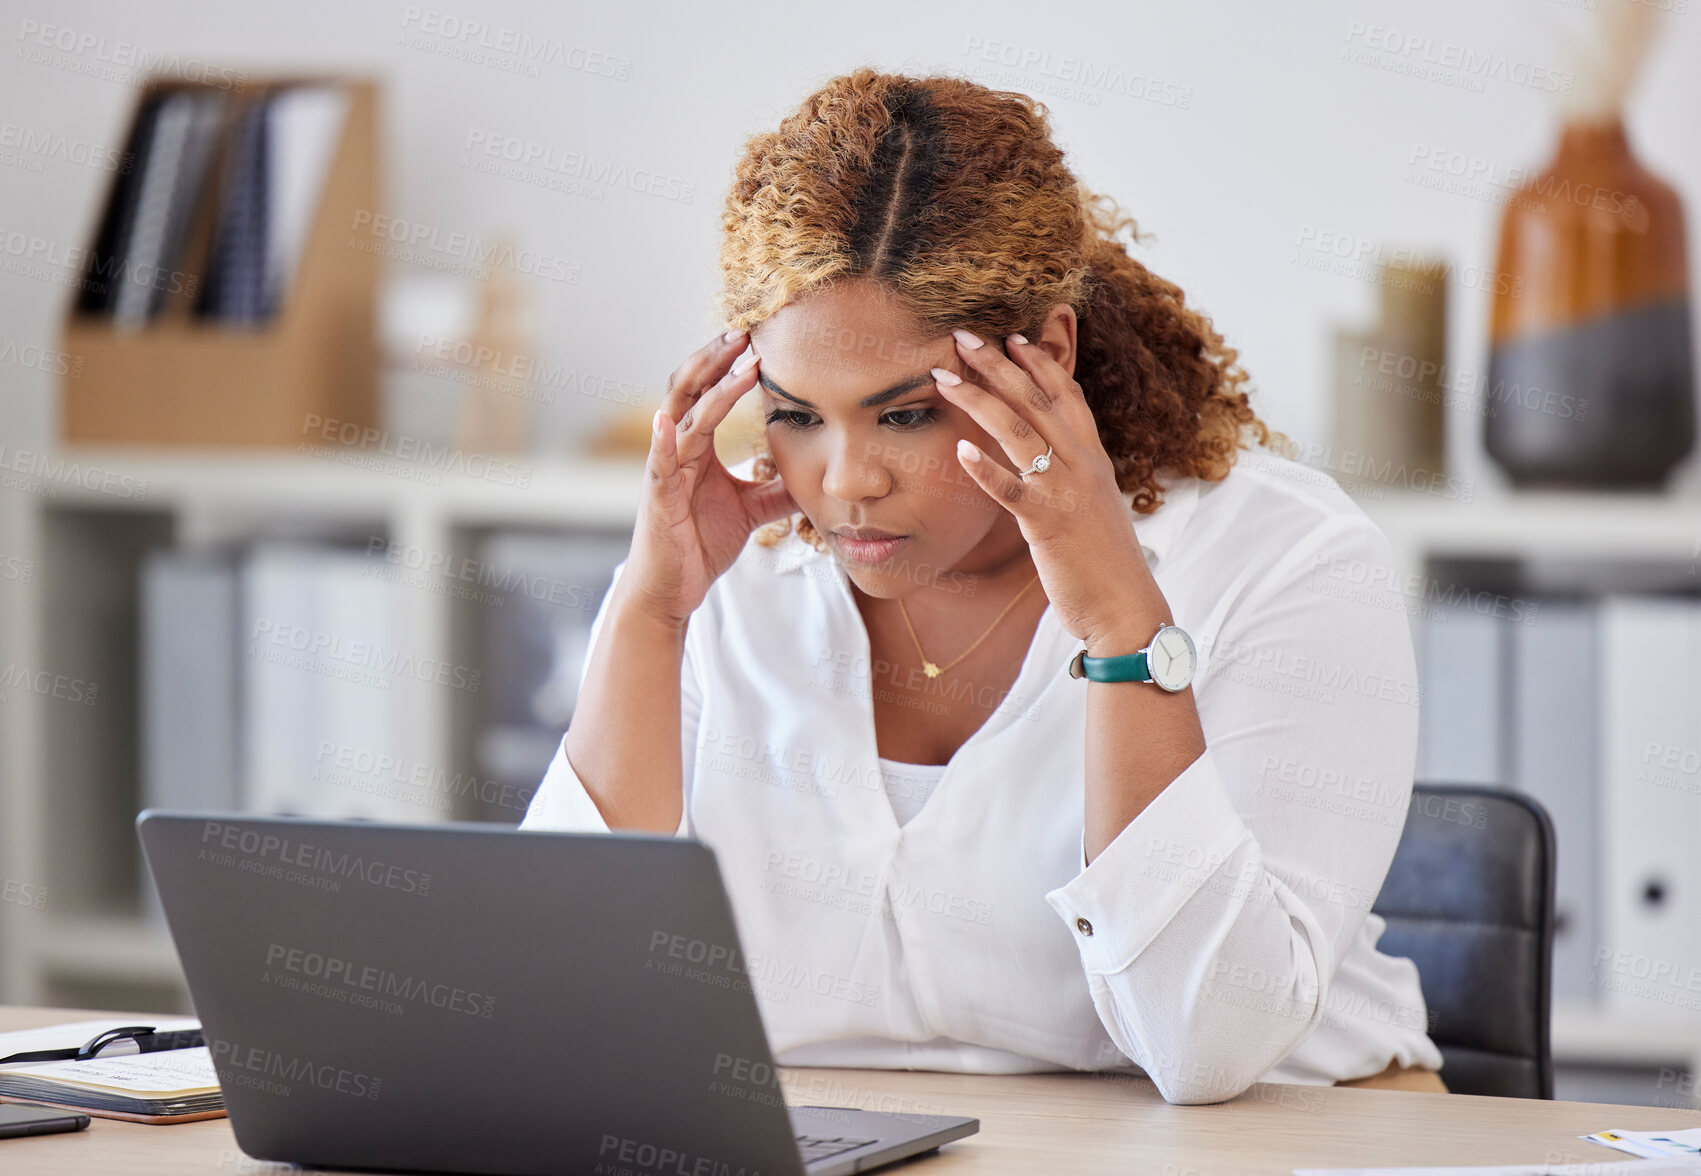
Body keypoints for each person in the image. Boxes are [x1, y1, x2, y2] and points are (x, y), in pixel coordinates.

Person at [519, 68, 1447, 1102]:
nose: (844, 481)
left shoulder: (1280, 561)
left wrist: (1119, 623)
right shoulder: (735, 568)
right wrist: (654, 607)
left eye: (906, 414)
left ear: (1044, 351)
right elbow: (565, 1020)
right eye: (795, 413)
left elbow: (1207, 1049)